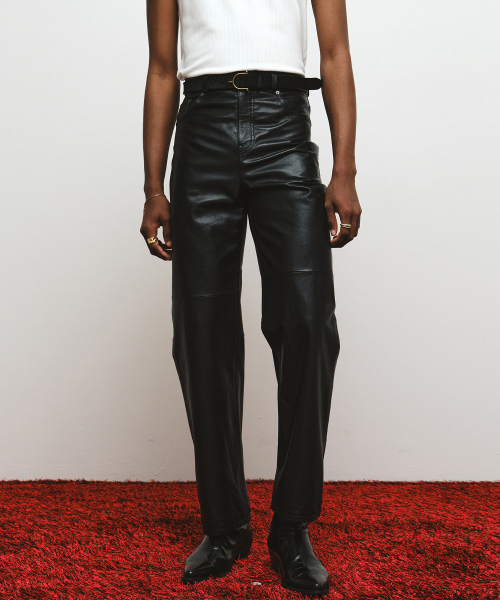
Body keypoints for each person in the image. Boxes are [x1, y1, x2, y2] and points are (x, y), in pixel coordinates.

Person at [140, 0, 361, 595]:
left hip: (285, 126)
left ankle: (291, 526)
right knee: (201, 332)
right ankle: (225, 526)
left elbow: (335, 53)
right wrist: (153, 186)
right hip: (202, 134)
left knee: (308, 322)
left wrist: (344, 171)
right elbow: (162, 67)